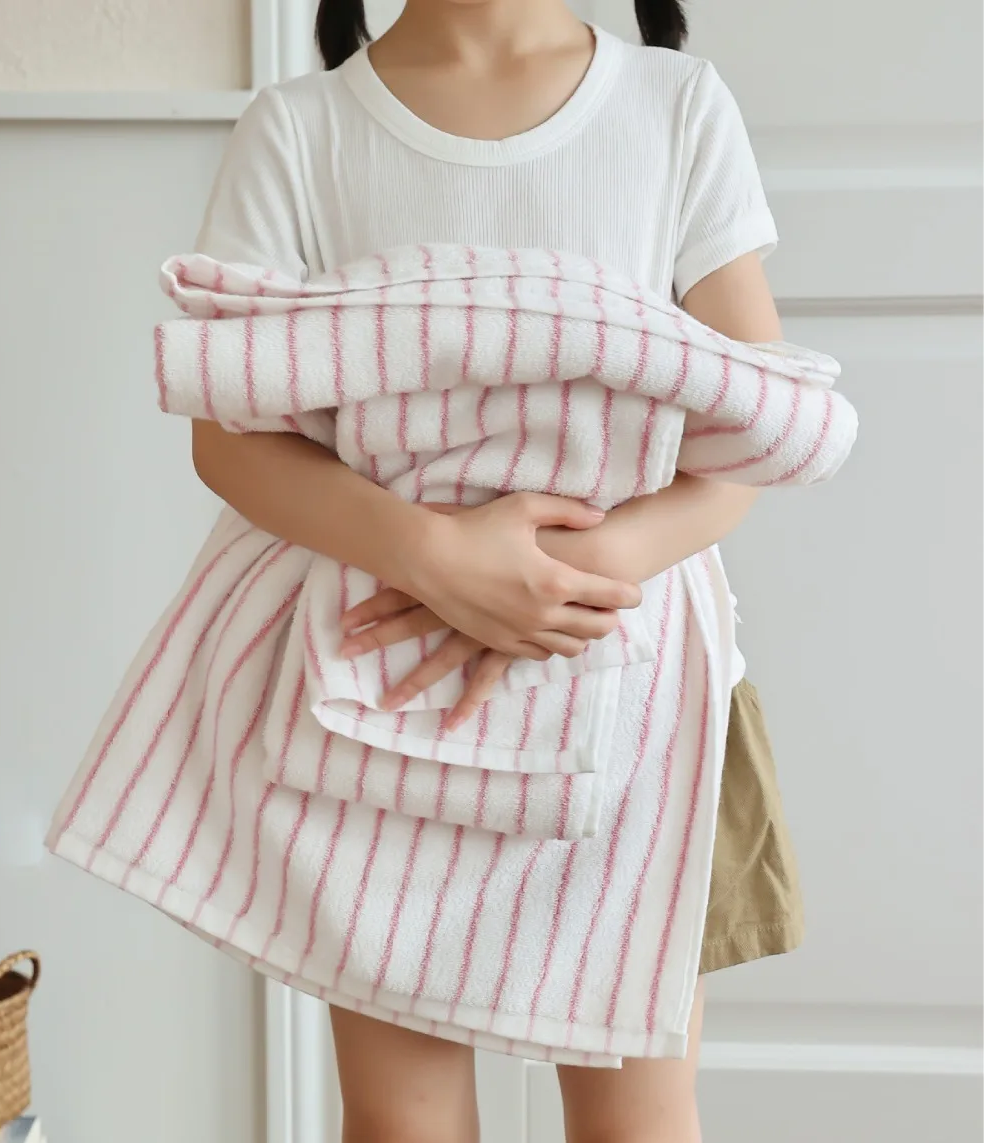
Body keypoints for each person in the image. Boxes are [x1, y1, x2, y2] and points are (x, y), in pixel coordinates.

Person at [187, 2, 802, 1139]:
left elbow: (763, 423)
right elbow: (229, 437)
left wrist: (587, 567)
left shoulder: (675, 108)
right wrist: (435, 557)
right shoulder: (302, 130)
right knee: (403, 1122)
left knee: (635, 1121)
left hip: (638, 701)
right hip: (388, 723)